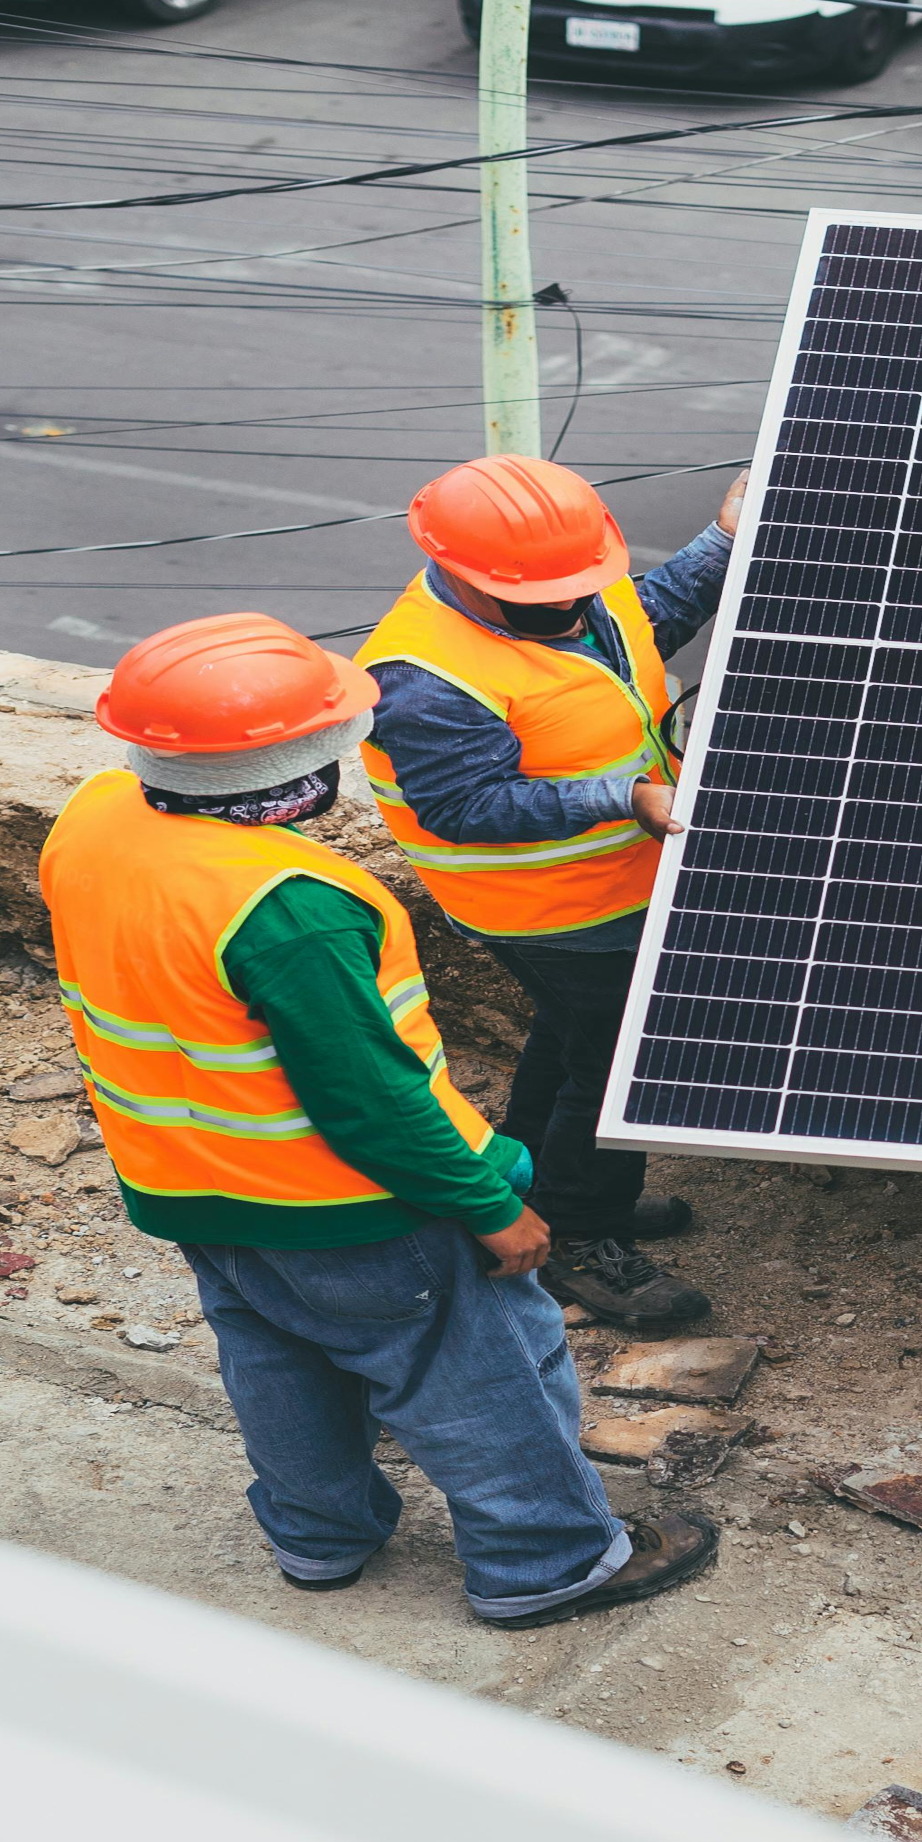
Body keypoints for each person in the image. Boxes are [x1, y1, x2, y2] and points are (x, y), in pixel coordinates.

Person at [38, 610, 719, 1624]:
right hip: (354, 1212)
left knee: (280, 1366)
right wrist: (492, 1206)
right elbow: (371, 1099)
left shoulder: (95, 816)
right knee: (481, 1381)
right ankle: (549, 1561)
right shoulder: (290, 904)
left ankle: (320, 1539)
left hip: (191, 1188)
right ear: (301, 762)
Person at [357, 455, 745, 1333]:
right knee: (614, 1062)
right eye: (546, 595)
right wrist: (624, 797)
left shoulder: (571, 591)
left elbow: (641, 624)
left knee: (573, 1044)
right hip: (552, 912)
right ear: (461, 572)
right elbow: (465, 807)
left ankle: (533, 1180)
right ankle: (578, 1228)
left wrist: (721, 541)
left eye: (582, 585)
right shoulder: (423, 677)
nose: (571, 605)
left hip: (622, 882)